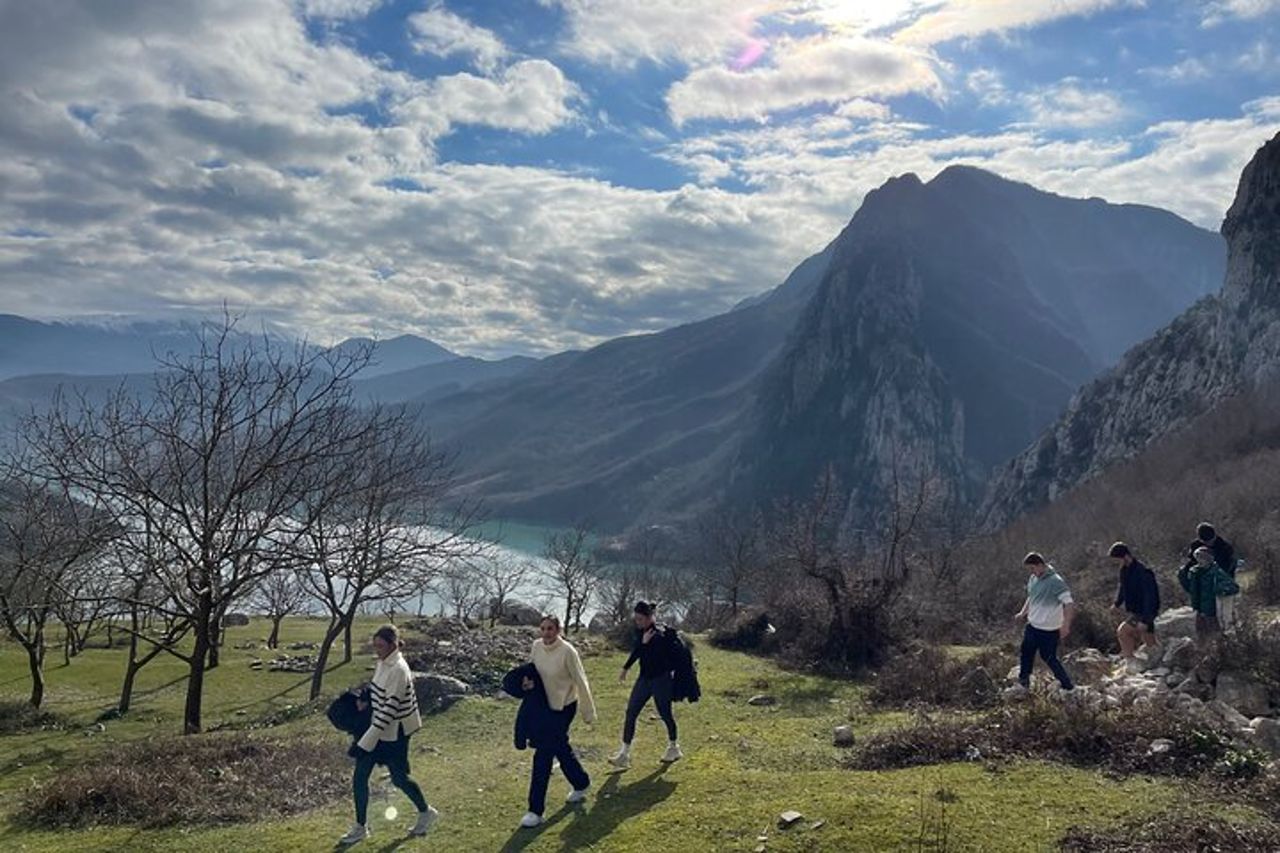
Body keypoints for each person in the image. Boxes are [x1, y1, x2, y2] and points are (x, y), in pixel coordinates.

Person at [340, 624, 437, 846]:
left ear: (393, 645)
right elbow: (376, 689)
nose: (377, 650)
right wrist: (365, 697)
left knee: (399, 778)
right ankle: (360, 827)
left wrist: (365, 741)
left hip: (396, 732)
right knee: (360, 776)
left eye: (381, 646)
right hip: (379, 728)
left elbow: (390, 710)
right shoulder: (383, 662)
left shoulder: (399, 670)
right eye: (375, 646)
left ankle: (426, 812)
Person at [520, 615, 596, 829]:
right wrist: (526, 685)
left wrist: (588, 713)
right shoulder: (536, 646)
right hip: (544, 707)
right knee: (560, 747)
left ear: (558, 630)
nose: (546, 633)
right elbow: (532, 672)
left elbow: (581, 680)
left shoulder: (568, 651)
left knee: (543, 755)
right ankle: (581, 782)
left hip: (564, 707)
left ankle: (535, 811)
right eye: (543, 628)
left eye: (550, 629)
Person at [609, 601, 682, 769]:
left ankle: (674, 747)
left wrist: (645, 644)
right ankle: (624, 754)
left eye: (640, 619)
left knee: (665, 713)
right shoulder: (641, 632)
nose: (637, 622)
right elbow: (637, 650)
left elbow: (655, 655)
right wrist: (625, 668)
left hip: (661, 679)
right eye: (636, 619)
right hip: (644, 679)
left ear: (649, 618)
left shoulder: (660, 634)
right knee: (631, 712)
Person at [1013, 552, 1075, 692]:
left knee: (1049, 657)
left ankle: (1068, 686)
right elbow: (1031, 597)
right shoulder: (1033, 579)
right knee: (1026, 653)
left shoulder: (1056, 581)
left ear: (1041, 565)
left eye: (1032, 568)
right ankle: (1024, 684)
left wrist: (1066, 625)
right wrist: (1023, 613)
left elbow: (1069, 603)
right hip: (1032, 625)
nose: (1031, 572)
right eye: (1029, 569)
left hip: (1049, 629)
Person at [1108, 542, 1160, 671]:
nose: (1117, 563)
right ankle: (1158, 663)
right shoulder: (1124, 570)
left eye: (1118, 560)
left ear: (1125, 556)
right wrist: (1117, 603)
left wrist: (1146, 619)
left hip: (1145, 611)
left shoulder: (1143, 572)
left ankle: (1130, 663)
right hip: (1136, 610)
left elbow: (1150, 597)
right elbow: (1123, 588)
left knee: (1123, 632)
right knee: (1149, 640)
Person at [1179, 546, 1239, 638]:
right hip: (1199, 610)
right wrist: (1182, 575)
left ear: (1209, 559)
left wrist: (1219, 589)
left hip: (1212, 610)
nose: (1200, 561)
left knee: (1215, 634)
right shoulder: (1194, 572)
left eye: (1203, 558)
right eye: (1198, 558)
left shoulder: (1216, 573)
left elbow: (1233, 587)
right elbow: (1190, 589)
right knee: (1201, 634)